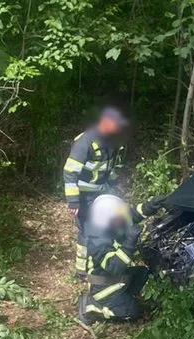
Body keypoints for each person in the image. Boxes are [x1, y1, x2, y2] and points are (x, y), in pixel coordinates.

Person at [64, 107, 131, 279]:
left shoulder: (111, 142)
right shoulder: (85, 141)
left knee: (103, 227)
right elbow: (70, 171)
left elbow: (108, 168)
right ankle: (82, 271)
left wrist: (115, 185)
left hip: (100, 194)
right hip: (83, 196)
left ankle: (99, 264)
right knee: (87, 232)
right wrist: (73, 200)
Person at [77, 194, 164, 323]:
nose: (122, 218)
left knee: (144, 273)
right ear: (107, 219)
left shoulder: (112, 222)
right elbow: (114, 266)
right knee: (131, 311)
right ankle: (92, 306)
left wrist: (151, 205)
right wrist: (130, 243)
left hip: (116, 277)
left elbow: (132, 214)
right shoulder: (97, 241)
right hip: (103, 286)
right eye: (118, 217)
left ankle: (123, 295)